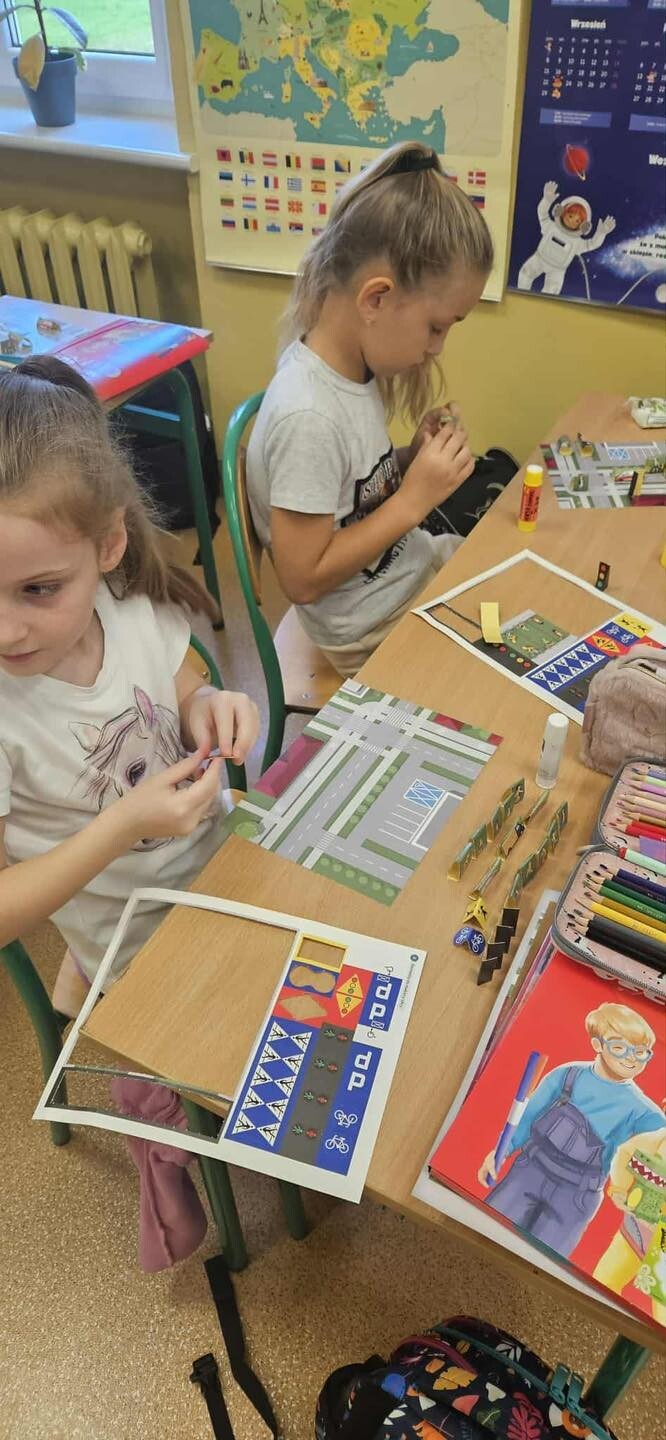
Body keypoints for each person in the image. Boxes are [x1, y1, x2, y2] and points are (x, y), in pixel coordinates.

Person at [0, 356, 260, 1009]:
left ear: (109, 544)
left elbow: (184, 690)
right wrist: (122, 826)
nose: (6, 630)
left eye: (39, 589)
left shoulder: (124, 604)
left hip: (223, 869)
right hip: (141, 952)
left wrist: (208, 705)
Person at [247, 140, 493, 677]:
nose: (437, 348)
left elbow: (352, 491)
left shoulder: (354, 372)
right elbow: (302, 579)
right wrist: (413, 499)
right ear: (375, 299)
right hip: (371, 630)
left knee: (521, 584)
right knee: (500, 686)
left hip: (408, 578)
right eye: (436, 327)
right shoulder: (308, 416)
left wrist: (409, 459)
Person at [477, 1002, 662, 1259]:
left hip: (577, 1196)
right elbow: (527, 1117)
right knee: (484, 1230)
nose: (631, 1058)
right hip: (529, 1171)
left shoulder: (642, 1110)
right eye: (620, 1048)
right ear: (597, 1045)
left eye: (641, 1052)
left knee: (540, 1260)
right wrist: (501, 1151)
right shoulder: (567, 1075)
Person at [593, 1118, 666, 1324]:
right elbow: (625, 1152)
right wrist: (620, 1188)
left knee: (661, 1318)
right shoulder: (657, 1139)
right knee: (602, 1282)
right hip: (637, 1229)